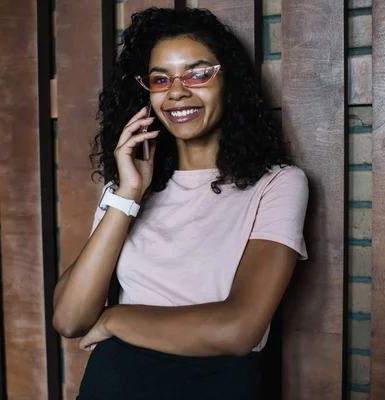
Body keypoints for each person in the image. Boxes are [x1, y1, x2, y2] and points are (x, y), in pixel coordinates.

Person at [52, 7, 308, 400]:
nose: (176, 91)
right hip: (115, 382)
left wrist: (116, 319)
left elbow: (238, 330)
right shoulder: (128, 188)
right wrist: (129, 194)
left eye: (198, 73)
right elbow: (70, 319)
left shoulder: (277, 185)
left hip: (216, 385)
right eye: (160, 79)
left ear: (229, 82)